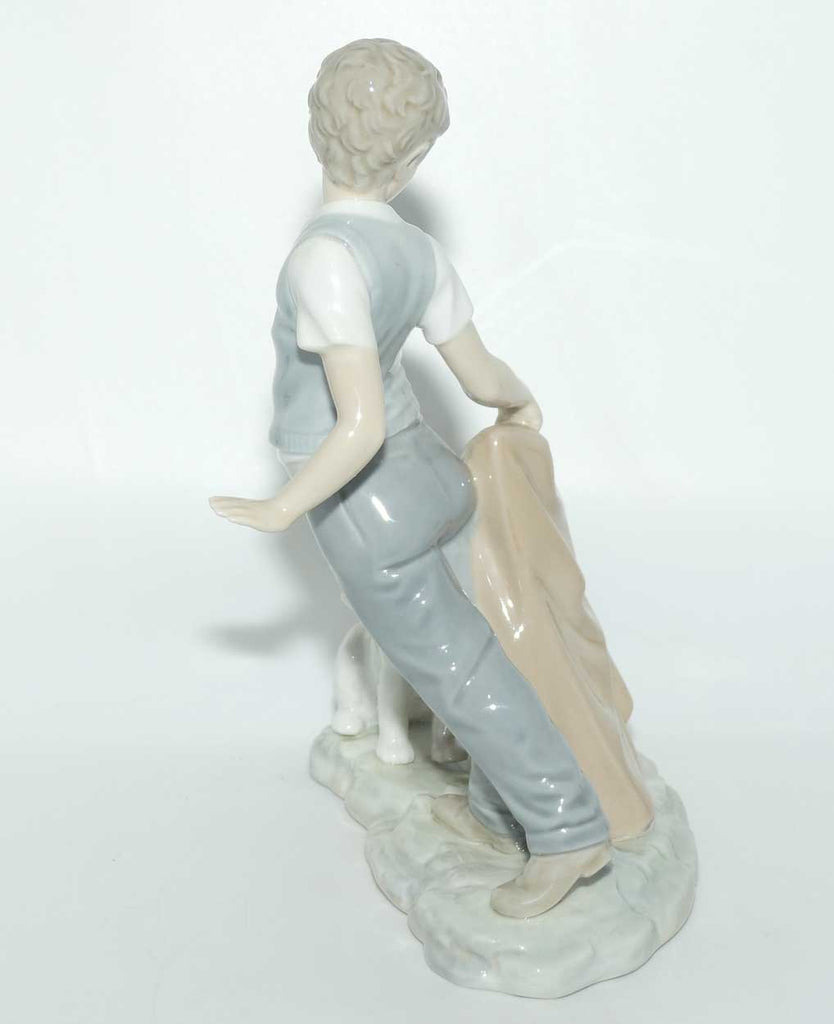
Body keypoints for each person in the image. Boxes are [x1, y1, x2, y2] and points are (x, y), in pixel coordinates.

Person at [209, 38, 611, 918]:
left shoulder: (322, 260)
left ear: (318, 131)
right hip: (434, 474)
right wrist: (522, 406)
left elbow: (359, 425)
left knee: (463, 670)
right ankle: (499, 806)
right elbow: (481, 375)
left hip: (371, 504)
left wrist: (283, 505)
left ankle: (567, 826)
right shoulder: (420, 252)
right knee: (484, 650)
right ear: (414, 156)